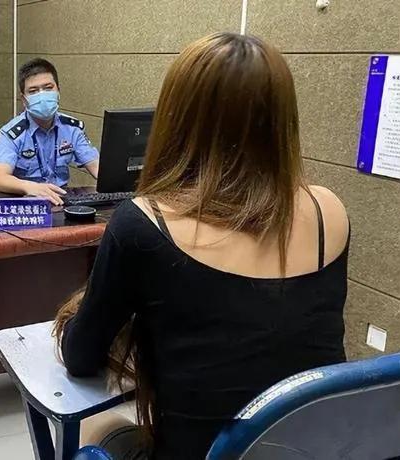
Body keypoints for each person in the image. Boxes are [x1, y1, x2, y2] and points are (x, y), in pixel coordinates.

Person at [53, 33, 350, 459]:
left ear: (175, 119)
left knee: (99, 426)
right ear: (282, 118)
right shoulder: (330, 213)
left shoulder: (143, 223)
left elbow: (80, 357)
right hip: (313, 451)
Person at [0, 58, 100, 205]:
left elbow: (96, 167)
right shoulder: (12, 134)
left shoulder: (72, 128)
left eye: (48, 88)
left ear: (58, 91)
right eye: (33, 91)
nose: (42, 95)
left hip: (61, 202)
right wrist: (31, 187)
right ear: (24, 99)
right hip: (27, 203)